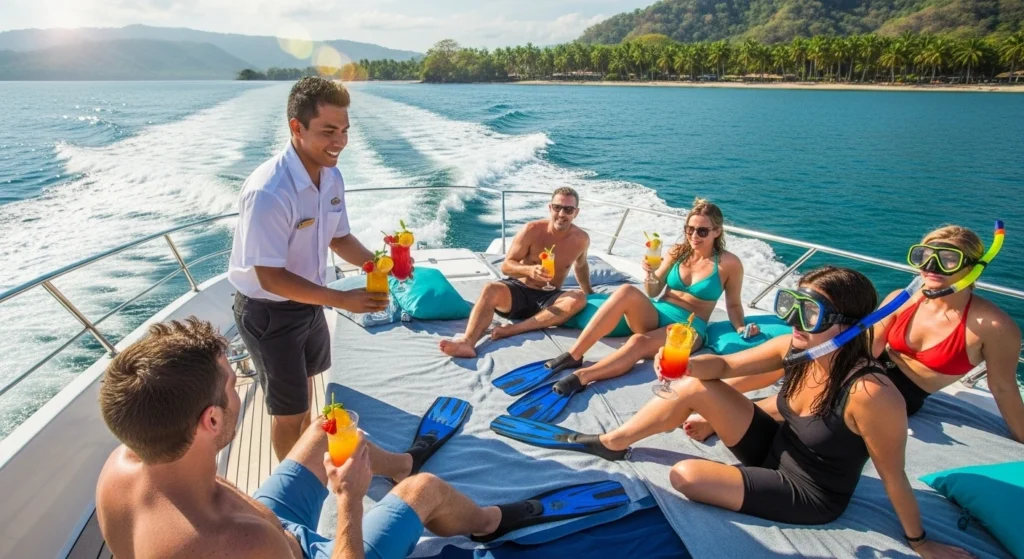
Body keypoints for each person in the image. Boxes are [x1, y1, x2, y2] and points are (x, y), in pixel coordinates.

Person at [586, 267, 972, 559]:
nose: (793, 321)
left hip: (810, 492)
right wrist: (686, 364)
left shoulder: (871, 393)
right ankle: (614, 442)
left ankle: (744, 481)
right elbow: (723, 368)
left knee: (685, 475)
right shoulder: (796, 346)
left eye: (810, 313)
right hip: (776, 447)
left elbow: (893, 475)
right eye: (792, 306)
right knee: (693, 386)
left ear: (847, 326)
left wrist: (920, 543)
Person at [94, 318, 557, 559]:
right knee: (425, 493)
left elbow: (212, 501)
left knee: (326, 427)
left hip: (271, 525)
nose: (240, 390)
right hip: (296, 548)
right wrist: (350, 500)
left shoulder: (122, 467)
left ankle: (402, 464)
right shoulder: (238, 546)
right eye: (234, 386)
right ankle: (489, 521)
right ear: (211, 422)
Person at [228, 76, 387, 460]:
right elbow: (270, 277)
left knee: (309, 390)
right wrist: (339, 299)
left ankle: (310, 454)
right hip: (269, 313)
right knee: (289, 414)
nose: (340, 142)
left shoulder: (331, 176)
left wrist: (376, 264)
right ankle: (294, 488)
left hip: (309, 302)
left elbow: (339, 237)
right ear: (296, 128)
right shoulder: (269, 191)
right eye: (329, 131)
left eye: (345, 131)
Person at [543, 197, 755, 395]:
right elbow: (653, 291)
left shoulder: (729, 264)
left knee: (638, 342)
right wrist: (650, 273)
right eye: (689, 229)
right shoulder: (678, 252)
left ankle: (583, 377)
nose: (693, 236)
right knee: (627, 290)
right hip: (657, 312)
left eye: (702, 231)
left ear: (717, 231)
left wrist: (740, 327)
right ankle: (574, 355)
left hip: (688, 327)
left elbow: (734, 304)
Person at [874, 225, 1023, 442]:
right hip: (868, 372)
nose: (931, 267)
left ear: (974, 268)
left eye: (948, 259)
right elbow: (867, 346)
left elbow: (1003, 388)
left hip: (901, 395)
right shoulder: (903, 298)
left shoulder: (994, 326)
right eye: (923, 256)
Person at [439, 187, 590, 358]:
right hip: (519, 291)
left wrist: (589, 292)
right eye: (557, 207)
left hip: (550, 298)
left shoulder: (581, 239)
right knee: (490, 289)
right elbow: (506, 266)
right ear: (550, 208)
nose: (562, 213)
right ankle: (467, 342)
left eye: (568, 209)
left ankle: (513, 330)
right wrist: (529, 270)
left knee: (578, 298)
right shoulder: (532, 230)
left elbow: (581, 265)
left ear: (576, 213)